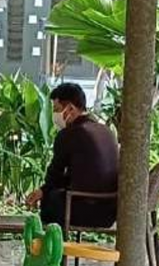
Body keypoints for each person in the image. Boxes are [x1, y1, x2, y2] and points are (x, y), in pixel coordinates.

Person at [25, 82, 119, 228]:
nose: (55, 115)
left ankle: (56, 242)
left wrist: (43, 191)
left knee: (49, 201)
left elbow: (55, 174)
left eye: (57, 109)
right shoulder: (107, 131)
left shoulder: (69, 134)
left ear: (70, 109)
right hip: (109, 214)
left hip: (82, 211)